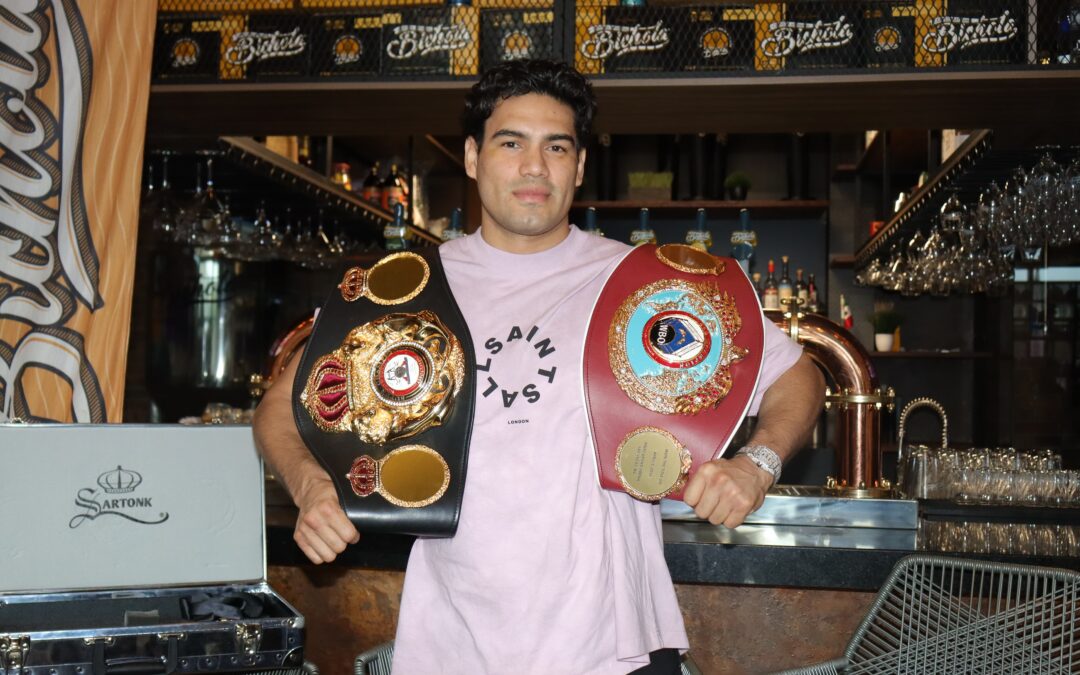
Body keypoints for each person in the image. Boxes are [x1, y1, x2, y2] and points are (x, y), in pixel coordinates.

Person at [253, 59, 824, 675]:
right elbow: (277, 413)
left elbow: (798, 375)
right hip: (454, 646)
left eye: (556, 146)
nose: (534, 166)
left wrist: (756, 465)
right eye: (510, 143)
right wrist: (312, 488)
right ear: (472, 157)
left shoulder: (643, 280)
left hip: (616, 647)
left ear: (579, 167)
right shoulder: (407, 290)